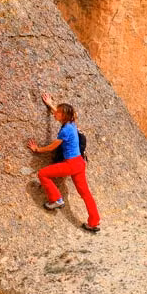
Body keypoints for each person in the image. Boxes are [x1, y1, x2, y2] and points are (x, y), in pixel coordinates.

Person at [28, 93, 101, 233]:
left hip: (71, 164)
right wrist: (50, 104)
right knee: (85, 193)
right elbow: (58, 112)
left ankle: (56, 199)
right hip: (79, 163)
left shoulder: (65, 131)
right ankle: (94, 222)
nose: (55, 114)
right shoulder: (72, 123)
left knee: (42, 173)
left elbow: (52, 147)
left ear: (63, 116)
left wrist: (37, 149)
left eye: (58, 113)